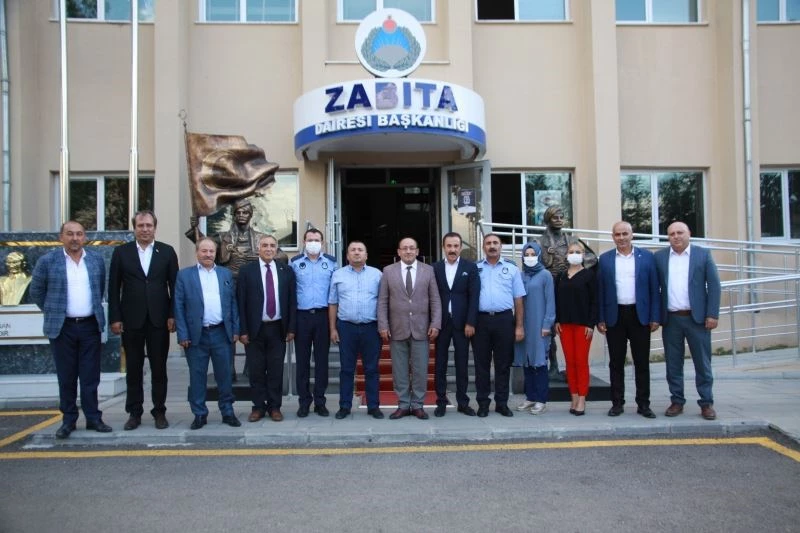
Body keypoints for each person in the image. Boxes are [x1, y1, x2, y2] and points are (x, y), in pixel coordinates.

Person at [29, 221, 111, 439]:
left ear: (85, 237)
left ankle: (93, 418)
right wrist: (53, 310)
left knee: (90, 375)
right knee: (66, 376)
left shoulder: (95, 260)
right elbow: (36, 291)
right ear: (61, 237)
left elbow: (100, 287)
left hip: (90, 326)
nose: (75, 238)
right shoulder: (48, 261)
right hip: (62, 327)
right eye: (70, 234)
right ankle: (68, 420)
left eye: (79, 234)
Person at [108, 210, 179, 431]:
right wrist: (115, 317)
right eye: (141, 226)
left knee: (159, 368)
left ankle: (159, 411)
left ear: (155, 228)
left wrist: (173, 315)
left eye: (149, 225)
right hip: (131, 320)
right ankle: (134, 412)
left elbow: (175, 287)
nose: (145, 229)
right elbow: (113, 288)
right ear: (134, 228)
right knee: (134, 368)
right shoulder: (122, 252)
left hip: (159, 320)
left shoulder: (167, 252)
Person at [655, 221, 721, 420]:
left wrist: (712, 314)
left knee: (702, 363)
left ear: (689, 233)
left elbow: (714, 286)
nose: (676, 236)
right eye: (672, 234)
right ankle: (677, 401)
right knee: (673, 363)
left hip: (697, 319)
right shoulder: (660, 257)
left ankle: (706, 403)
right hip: (671, 319)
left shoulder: (703, 254)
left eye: (680, 232)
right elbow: (654, 288)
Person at [174, 237, 241, 429]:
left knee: (224, 375)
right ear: (197, 252)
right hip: (197, 335)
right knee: (197, 376)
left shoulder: (225, 274)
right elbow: (178, 306)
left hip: (221, 333)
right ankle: (199, 414)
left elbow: (232, 303)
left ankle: (227, 411)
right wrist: (182, 334)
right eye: (204, 251)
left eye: (211, 251)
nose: (208, 254)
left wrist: (235, 329)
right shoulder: (185, 275)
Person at [597, 221, 660, 419]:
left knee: (641, 362)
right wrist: (600, 318)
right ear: (613, 237)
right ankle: (617, 403)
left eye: (625, 233)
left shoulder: (647, 257)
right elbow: (600, 291)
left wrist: (655, 316)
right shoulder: (605, 259)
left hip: (639, 316)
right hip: (614, 316)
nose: (622, 238)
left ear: (632, 235)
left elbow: (654, 289)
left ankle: (643, 404)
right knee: (616, 363)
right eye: (617, 234)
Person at [378, 237, 441, 420]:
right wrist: (383, 324)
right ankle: (404, 404)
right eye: (404, 248)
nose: (408, 251)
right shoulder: (388, 271)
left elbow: (435, 300)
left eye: (411, 248)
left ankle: (418, 405)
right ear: (398, 252)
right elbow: (382, 301)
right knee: (399, 370)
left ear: (417, 251)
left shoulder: (428, 270)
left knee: (420, 369)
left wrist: (435, 323)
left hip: (422, 328)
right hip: (397, 328)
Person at [238, 234, 296, 422]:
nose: (269, 249)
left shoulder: (286, 271)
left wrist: (291, 328)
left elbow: (292, 302)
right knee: (256, 370)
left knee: (275, 370)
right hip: (255, 329)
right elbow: (241, 302)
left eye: (272, 245)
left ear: (276, 248)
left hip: (278, 328)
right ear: (258, 248)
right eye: (265, 245)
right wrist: (243, 330)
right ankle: (258, 407)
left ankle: (274, 407)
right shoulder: (247, 271)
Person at [537, 205, 597, 377]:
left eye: (561, 217)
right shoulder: (539, 241)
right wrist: (548, 261)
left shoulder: (572, 240)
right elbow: (533, 263)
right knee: (549, 329)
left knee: (570, 328)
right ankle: (553, 366)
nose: (559, 220)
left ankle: (575, 369)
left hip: (568, 288)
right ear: (548, 219)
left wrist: (575, 267)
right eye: (555, 217)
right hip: (548, 289)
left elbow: (592, 258)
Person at [328, 241, 384, 420]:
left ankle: (373, 406)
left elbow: (383, 302)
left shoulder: (377, 275)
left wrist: (384, 326)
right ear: (347, 255)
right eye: (353, 250)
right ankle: (344, 406)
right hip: (346, 327)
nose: (357, 252)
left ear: (366, 255)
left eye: (360, 250)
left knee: (371, 369)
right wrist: (332, 328)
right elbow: (333, 303)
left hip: (371, 328)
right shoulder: (338, 275)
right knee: (346, 369)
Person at [472, 233, 525, 417]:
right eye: (488, 243)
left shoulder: (512, 269)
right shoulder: (475, 268)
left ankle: (502, 403)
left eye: (495, 243)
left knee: (503, 364)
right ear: (483, 247)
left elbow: (518, 299)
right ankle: (483, 403)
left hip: (504, 320)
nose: (492, 246)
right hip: (481, 321)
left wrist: (519, 326)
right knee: (482, 365)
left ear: (501, 246)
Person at [290, 228, 338, 418]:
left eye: (317, 240)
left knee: (321, 361)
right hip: (301, 317)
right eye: (310, 239)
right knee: (302, 362)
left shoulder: (331, 263)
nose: (313, 243)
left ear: (322, 242)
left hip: (323, 316)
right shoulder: (295, 263)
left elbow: (335, 292)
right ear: (304, 242)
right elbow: (290, 292)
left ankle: (320, 401)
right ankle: (304, 402)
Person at [433, 232, 480, 417]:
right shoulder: (435, 268)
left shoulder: (471, 267)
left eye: (455, 246)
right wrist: (433, 323)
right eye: (449, 246)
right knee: (440, 364)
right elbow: (431, 297)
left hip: (463, 324)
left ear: (460, 247)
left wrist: (471, 322)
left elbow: (474, 296)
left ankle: (463, 402)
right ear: (443, 247)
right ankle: (441, 402)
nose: (452, 249)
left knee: (462, 364)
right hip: (441, 323)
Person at [554, 239, 597, 416]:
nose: (574, 255)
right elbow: (557, 300)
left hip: (582, 325)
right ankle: (573, 396)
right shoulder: (561, 276)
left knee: (581, 362)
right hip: (564, 325)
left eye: (578, 252)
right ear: (566, 255)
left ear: (583, 255)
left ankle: (582, 398)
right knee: (569, 363)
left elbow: (594, 301)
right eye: (571, 252)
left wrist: (591, 324)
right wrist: (557, 321)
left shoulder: (589, 275)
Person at [513, 242, 555, 415]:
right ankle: (530, 397)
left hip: (539, 325)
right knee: (527, 361)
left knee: (540, 362)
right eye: (526, 254)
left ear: (538, 255)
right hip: (523, 325)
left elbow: (550, 301)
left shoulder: (545, 275)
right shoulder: (521, 275)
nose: (529, 257)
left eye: (533, 254)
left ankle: (541, 399)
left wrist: (547, 324)